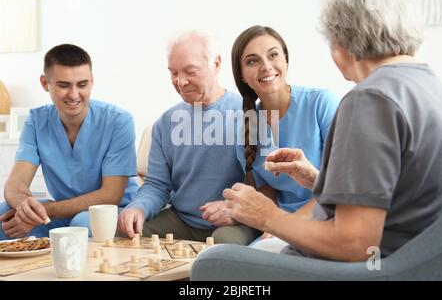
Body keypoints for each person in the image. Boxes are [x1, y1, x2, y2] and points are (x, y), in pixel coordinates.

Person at [223, 0, 442, 261]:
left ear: (342, 42)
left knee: (212, 264)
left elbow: (355, 244)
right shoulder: (428, 84)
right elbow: (393, 196)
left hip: (376, 266)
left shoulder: (370, 99)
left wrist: (268, 216)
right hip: (413, 259)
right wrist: (319, 180)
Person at [201, 26, 339, 246]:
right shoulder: (246, 125)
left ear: (285, 60)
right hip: (280, 224)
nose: (266, 66)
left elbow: (341, 184)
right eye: (252, 61)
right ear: (243, 76)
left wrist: (285, 226)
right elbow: (267, 188)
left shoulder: (321, 103)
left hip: (327, 218)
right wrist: (266, 222)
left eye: (273, 55)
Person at [117, 31, 259, 244]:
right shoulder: (166, 122)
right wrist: (138, 207)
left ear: (216, 64)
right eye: (173, 73)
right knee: (128, 233)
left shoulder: (247, 115)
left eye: (190, 71)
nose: (180, 82)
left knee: (224, 245)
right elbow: (156, 185)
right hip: (182, 220)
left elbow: (263, 186)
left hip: (234, 221)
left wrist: (234, 208)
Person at [0, 44, 139, 240]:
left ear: (91, 82)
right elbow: (15, 184)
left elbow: (111, 194)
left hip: (112, 212)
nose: (74, 95)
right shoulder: (36, 121)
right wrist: (26, 208)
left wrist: (46, 209)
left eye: (82, 85)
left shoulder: (118, 121)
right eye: (64, 85)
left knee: (82, 224)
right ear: (45, 83)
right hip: (62, 213)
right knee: (5, 215)